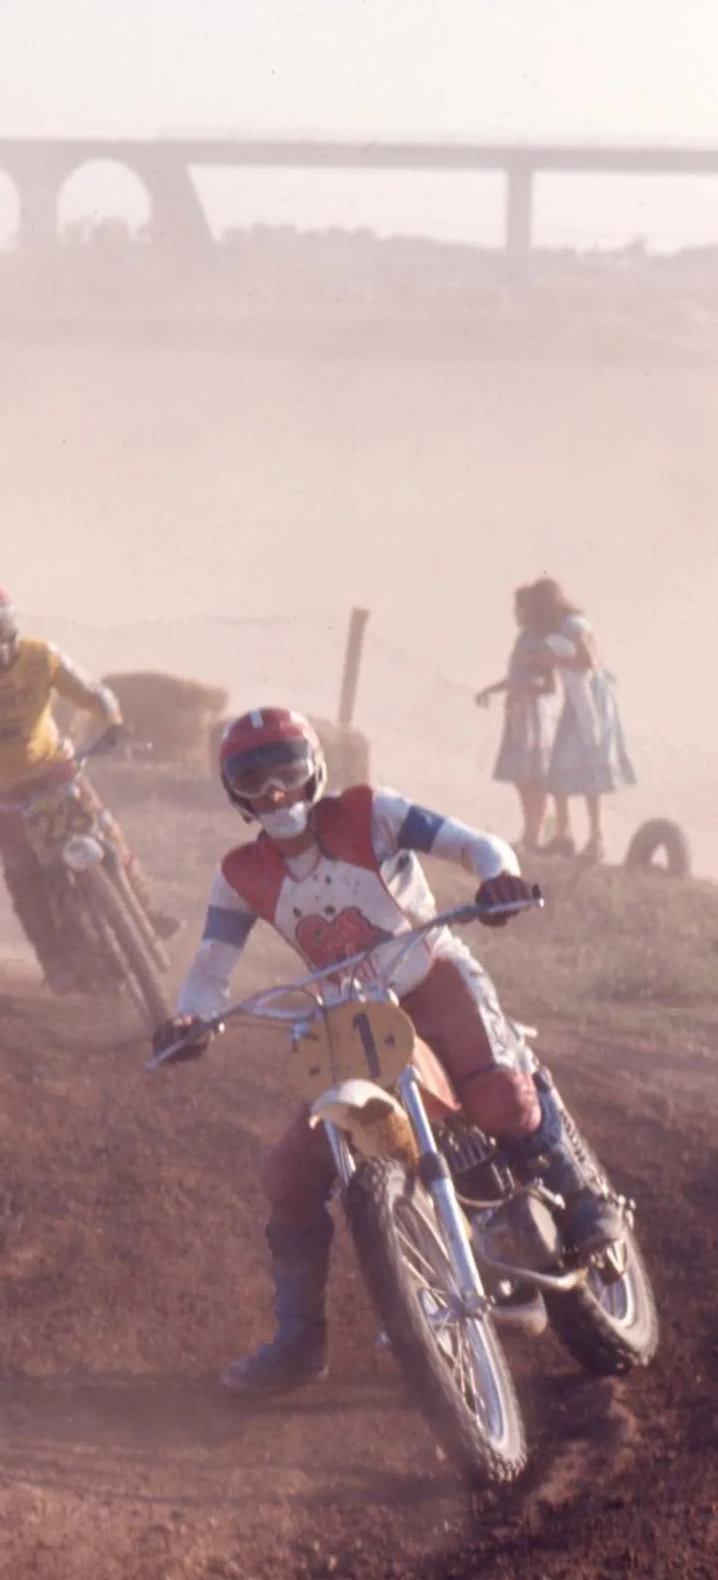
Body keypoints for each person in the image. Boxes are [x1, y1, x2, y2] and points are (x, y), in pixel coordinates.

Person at [153, 706, 622, 1400]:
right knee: (288, 1174)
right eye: (253, 781)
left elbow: (476, 844)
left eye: (287, 771)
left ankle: (582, 1201)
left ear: (314, 768)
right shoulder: (240, 873)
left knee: (500, 1098)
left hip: (432, 978)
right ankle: (299, 1340)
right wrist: (192, 1016)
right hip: (350, 1020)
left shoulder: (371, 812)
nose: (275, 792)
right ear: (235, 795)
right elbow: (210, 966)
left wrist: (499, 877)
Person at [0, 585, 177, 990]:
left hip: (56, 768)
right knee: (23, 871)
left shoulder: (42, 656)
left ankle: (145, 909)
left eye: (2, 633)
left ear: (14, 628)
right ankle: (53, 958)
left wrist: (114, 721)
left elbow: (92, 692)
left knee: (106, 832)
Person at [524, 576, 635, 865]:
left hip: (591, 703)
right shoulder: (563, 627)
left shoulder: (574, 625)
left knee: (588, 766)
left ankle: (595, 838)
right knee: (560, 766)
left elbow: (588, 661)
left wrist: (550, 662)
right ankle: (565, 835)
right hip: (577, 702)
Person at [476, 584, 562, 855]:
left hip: (531, 714)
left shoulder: (540, 642)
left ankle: (533, 835)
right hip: (518, 712)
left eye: (519, 609)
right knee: (522, 777)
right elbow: (516, 676)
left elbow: (549, 685)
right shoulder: (523, 638)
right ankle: (530, 833)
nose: (515, 613)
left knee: (533, 776)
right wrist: (491, 690)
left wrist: (522, 695)